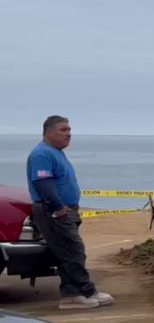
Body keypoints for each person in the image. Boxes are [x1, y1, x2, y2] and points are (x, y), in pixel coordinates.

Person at [26, 116, 115, 310]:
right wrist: (58, 207)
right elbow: (42, 182)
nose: (69, 134)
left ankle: (71, 294)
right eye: (63, 130)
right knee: (73, 251)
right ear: (49, 132)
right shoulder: (42, 154)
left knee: (67, 253)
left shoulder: (56, 152)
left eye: (69, 130)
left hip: (65, 210)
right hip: (54, 211)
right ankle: (86, 290)